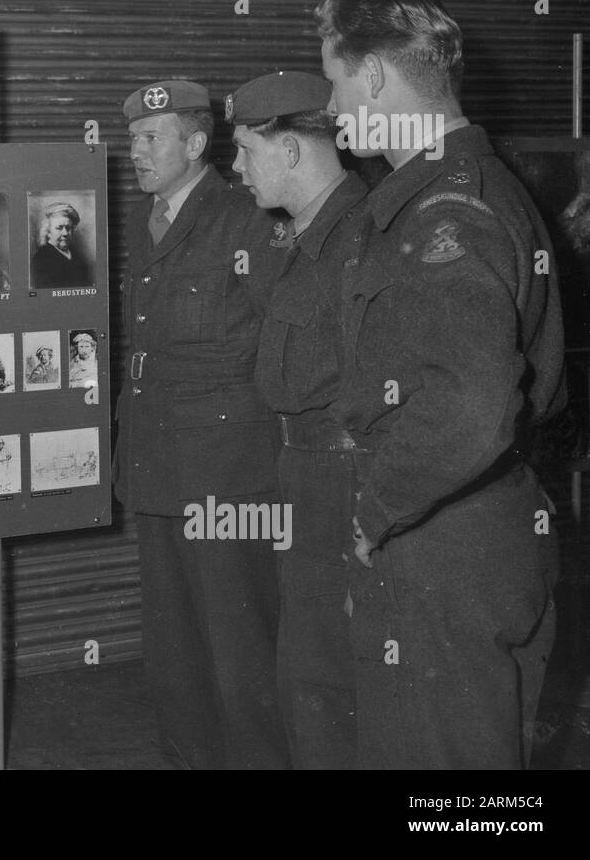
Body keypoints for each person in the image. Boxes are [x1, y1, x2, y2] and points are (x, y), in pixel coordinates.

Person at [316, 0, 564, 769]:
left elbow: (470, 406)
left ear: (376, 76)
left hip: (442, 543)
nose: (329, 107)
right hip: (469, 527)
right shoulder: (468, 192)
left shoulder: (447, 216)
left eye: (335, 81)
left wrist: (376, 508)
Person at [113, 77, 290, 770]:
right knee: (174, 648)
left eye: (149, 137)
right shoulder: (144, 218)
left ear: (194, 142)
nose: (135, 150)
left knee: (240, 647)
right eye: (130, 138)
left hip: (229, 475)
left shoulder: (248, 216)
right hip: (157, 466)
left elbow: (286, 337)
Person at [228, 69, 368, 769]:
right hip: (305, 473)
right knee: (307, 685)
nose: (235, 166)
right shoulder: (302, 237)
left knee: (335, 687)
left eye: (246, 148)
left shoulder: (361, 239)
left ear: (289, 151)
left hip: (347, 480)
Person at [30, 202, 92, 288]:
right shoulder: (40, 260)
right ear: (48, 232)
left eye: (68, 228)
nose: (65, 233)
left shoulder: (79, 258)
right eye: (59, 228)